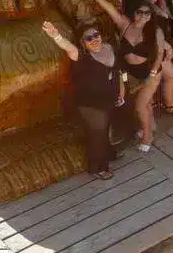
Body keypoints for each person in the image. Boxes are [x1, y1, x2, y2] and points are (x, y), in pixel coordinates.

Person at [86, 0, 173, 152]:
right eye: (139, 12)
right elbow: (110, 9)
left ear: (150, 15)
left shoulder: (155, 31)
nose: (143, 16)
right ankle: (149, 126)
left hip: (151, 72)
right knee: (145, 104)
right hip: (131, 73)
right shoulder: (125, 24)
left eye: (147, 13)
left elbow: (159, 55)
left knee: (140, 106)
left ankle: (147, 137)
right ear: (134, 13)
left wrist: (151, 75)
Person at [42, 21, 124, 179]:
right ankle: (98, 168)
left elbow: (117, 72)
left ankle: (109, 154)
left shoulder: (109, 48)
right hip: (90, 104)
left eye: (96, 35)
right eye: (88, 38)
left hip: (109, 99)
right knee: (97, 134)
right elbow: (68, 47)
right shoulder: (81, 57)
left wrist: (121, 90)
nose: (94, 39)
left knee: (105, 129)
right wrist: (56, 36)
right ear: (82, 43)